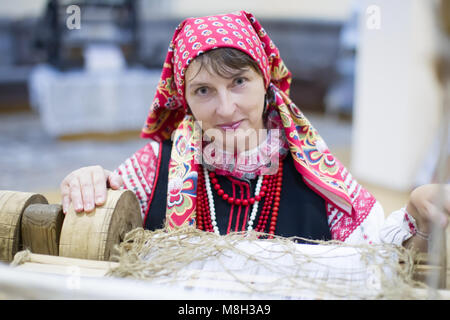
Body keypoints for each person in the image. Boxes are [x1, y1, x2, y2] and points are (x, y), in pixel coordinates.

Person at [60, 11, 449, 251]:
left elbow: (378, 258)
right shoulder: (153, 167)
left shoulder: (314, 171)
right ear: (184, 99)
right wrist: (89, 183)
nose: (226, 108)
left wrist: (417, 214)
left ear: (266, 83)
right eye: (203, 91)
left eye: (239, 82)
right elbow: (102, 216)